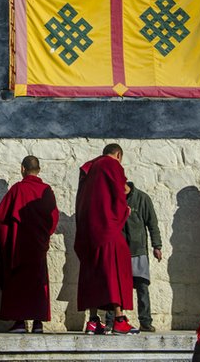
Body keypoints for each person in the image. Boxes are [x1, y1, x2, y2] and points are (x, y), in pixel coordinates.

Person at [75, 143, 138, 335]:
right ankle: (119, 319)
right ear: (118, 155)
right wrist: (124, 212)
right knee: (116, 267)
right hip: (107, 229)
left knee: (93, 271)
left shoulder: (88, 168)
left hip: (88, 231)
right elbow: (118, 195)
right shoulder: (112, 165)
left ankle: (93, 321)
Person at [0, 155, 59, 334]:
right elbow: (54, 217)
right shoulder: (46, 190)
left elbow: (0, 215)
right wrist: (44, 236)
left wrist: (9, 235)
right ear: (38, 170)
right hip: (38, 246)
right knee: (39, 284)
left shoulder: (17, 189)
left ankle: (20, 323)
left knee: (19, 284)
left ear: (22, 169)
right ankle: (38, 323)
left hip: (19, 246)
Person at [105, 181, 163, 332]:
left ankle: (145, 321)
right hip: (118, 251)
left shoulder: (142, 198)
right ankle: (111, 321)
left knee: (142, 286)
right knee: (115, 287)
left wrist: (157, 246)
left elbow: (152, 223)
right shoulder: (112, 199)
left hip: (138, 250)